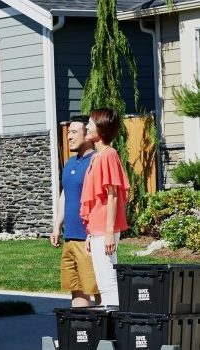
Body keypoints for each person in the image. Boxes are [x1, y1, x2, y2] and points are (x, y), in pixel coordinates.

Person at [80, 108, 130, 306]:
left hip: (106, 228)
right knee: (102, 280)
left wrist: (109, 231)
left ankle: (115, 325)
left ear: (101, 129)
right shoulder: (95, 157)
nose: (87, 127)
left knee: (108, 280)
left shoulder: (109, 154)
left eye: (91, 124)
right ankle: (109, 324)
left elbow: (112, 193)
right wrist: (90, 234)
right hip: (97, 229)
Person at [51, 116, 101, 307]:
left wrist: (94, 233)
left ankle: (106, 333)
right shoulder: (71, 163)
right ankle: (82, 332)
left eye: (74, 132)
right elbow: (65, 194)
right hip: (70, 238)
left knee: (97, 289)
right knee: (77, 290)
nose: (69, 136)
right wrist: (57, 226)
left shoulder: (96, 161)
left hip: (88, 239)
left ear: (87, 135)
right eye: (68, 132)